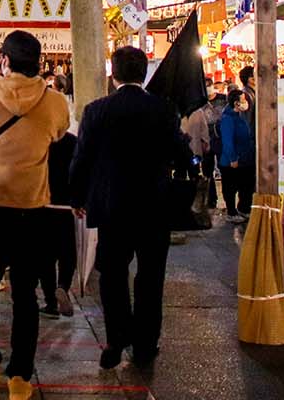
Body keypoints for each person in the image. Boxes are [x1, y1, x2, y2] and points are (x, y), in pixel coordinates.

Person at [0, 30, 70, 400]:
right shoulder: (54, 103)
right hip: (31, 207)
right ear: (39, 62)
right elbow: (58, 134)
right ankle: (20, 376)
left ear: (3, 59)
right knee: (25, 292)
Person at [69, 46, 179, 370]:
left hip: (111, 205)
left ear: (112, 74)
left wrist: (77, 197)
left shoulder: (97, 110)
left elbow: (82, 158)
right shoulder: (164, 109)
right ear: (143, 73)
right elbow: (179, 151)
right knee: (150, 277)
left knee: (112, 275)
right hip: (154, 206)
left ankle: (116, 341)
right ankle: (145, 345)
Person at [39, 124, 78, 319]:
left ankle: (50, 303)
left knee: (45, 255)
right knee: (67, 252)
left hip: (43, 203)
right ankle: (63, 285)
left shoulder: (40, 141)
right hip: (66, 206)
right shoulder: (73, 142)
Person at [184, 82, 226, 208]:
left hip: (191, 150)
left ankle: (204, 200)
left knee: (191, 173)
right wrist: (206, 143)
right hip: (197, 151)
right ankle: (207, 199)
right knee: (199, 172)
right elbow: (204, 132)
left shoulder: (222, 100)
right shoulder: (198, 110)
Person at [219, 89, 255, 223]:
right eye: (243, 100)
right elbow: (228, 141)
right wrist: (233, 158)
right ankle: (231, 212)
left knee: (246, 186)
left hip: (245, 159)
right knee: (230, 188)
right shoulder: (227, 119)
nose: (246, 102)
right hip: (232, 162)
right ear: (236, 103)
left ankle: (243, 209)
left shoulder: (240, 116)